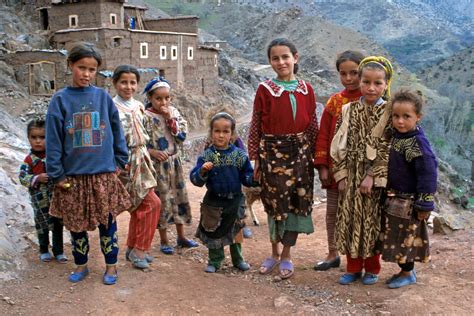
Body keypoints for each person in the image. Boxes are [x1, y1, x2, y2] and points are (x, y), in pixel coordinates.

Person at [46, 43, 131, 285]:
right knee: (76, 226)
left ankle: (111, 266)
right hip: (71, 178)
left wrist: (120, 161)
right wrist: (57, 174)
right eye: (81, 67)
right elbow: (53, 140)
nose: (86, 73)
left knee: (107, 223)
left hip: (102, 175)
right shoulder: (59, 100)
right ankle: (81, 264)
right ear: (70, 65)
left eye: (92, 69)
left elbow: (117, 131)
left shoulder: (102, 98)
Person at [248, 38, 318, 279]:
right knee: (274, 203)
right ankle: (273, 252)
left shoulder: (307, 89)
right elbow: (256, 124)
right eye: (275, 58)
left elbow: (312, 125)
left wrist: (316, 157)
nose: (281, 62)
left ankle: (287, 254)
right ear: (270, 62)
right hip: (272, 153)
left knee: (297, 203)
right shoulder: (265, 89)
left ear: (295, 58)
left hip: (301, 153)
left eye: (285, 57)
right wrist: (255, 157)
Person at [330, 56, 394, 285]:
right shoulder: (349, 110)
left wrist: (371, 176)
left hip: (374, 180)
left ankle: (373, 268)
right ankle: (353, 267)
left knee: (372, 222)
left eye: (378, 83)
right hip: (351, 173)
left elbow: (387, 148)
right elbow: (337, 144)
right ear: (360, 81)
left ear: (386, 84)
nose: (371, 87)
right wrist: (342, 175)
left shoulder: (389, 113)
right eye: (366, 81)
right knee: (348, 220)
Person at [379, 89, 437, 289]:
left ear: (418, 117)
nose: (400, 121)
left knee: (405, 240)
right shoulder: (398, 136)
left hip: (409, 203)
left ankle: (407, 273)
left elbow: (428, 174)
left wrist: (425, 204)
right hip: (396, 199)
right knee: (397, 237)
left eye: (406, 116)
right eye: (395, 116)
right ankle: (404, 271)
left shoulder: (416, 143)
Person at [313, 50, 365, 271]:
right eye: (344, 74)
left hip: (362, 172)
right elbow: (324, 134)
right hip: (336, 169)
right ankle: (332, 252)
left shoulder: (370, 100)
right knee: (333, 212)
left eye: (354, 73)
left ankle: (358, 258)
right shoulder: (335, 102)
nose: (349, 78)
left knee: (358, 213)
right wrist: (323, 166)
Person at [190, 112, 254, 273]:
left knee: (236, 230)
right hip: (214, 201)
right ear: (211, 133)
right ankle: (215, 260)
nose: (221, 135)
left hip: (235, 201)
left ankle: (238, 259)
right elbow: (196, 180)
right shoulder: (207, 156)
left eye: (225, 131)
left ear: (232, 134)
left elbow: (247, 177)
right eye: (217, 131)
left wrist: (255, 177)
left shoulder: (239, 155)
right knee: (214, 231)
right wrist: (203, 171)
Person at [112, 65, 161, 270]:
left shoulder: (138, 106)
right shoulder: (111, 107)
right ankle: (139, 249)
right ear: (114, 83)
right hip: (124, 162)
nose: (128, 86)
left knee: (142, 204)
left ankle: (134, 248)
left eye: (132, 82)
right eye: (124, 82)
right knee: (151, 204)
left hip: (141, 159)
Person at [143, 77, 198, 255]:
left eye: (167, 98)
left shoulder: (174, 112)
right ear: (150, 98)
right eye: (158, 98)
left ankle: (181, 237)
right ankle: (164, 240)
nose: (163, 102)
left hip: (175, 163)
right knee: (163, 200)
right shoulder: (145, 116)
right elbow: (140, 142)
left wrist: (170, 120)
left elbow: (181, 137)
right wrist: (152, 152)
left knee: (179, 196)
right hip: (157, 166)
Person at [19, 118, 67, 264]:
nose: (38, 141)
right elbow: (22, 177)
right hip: (39, 201)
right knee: (41, 226)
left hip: (56, 200)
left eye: (42, 137)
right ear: (28, 138)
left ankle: (59, 251)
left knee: (58, 224)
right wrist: (36, 178)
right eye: (34, 137)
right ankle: (44, 250)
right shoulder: (29, 160)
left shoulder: (54, 157)